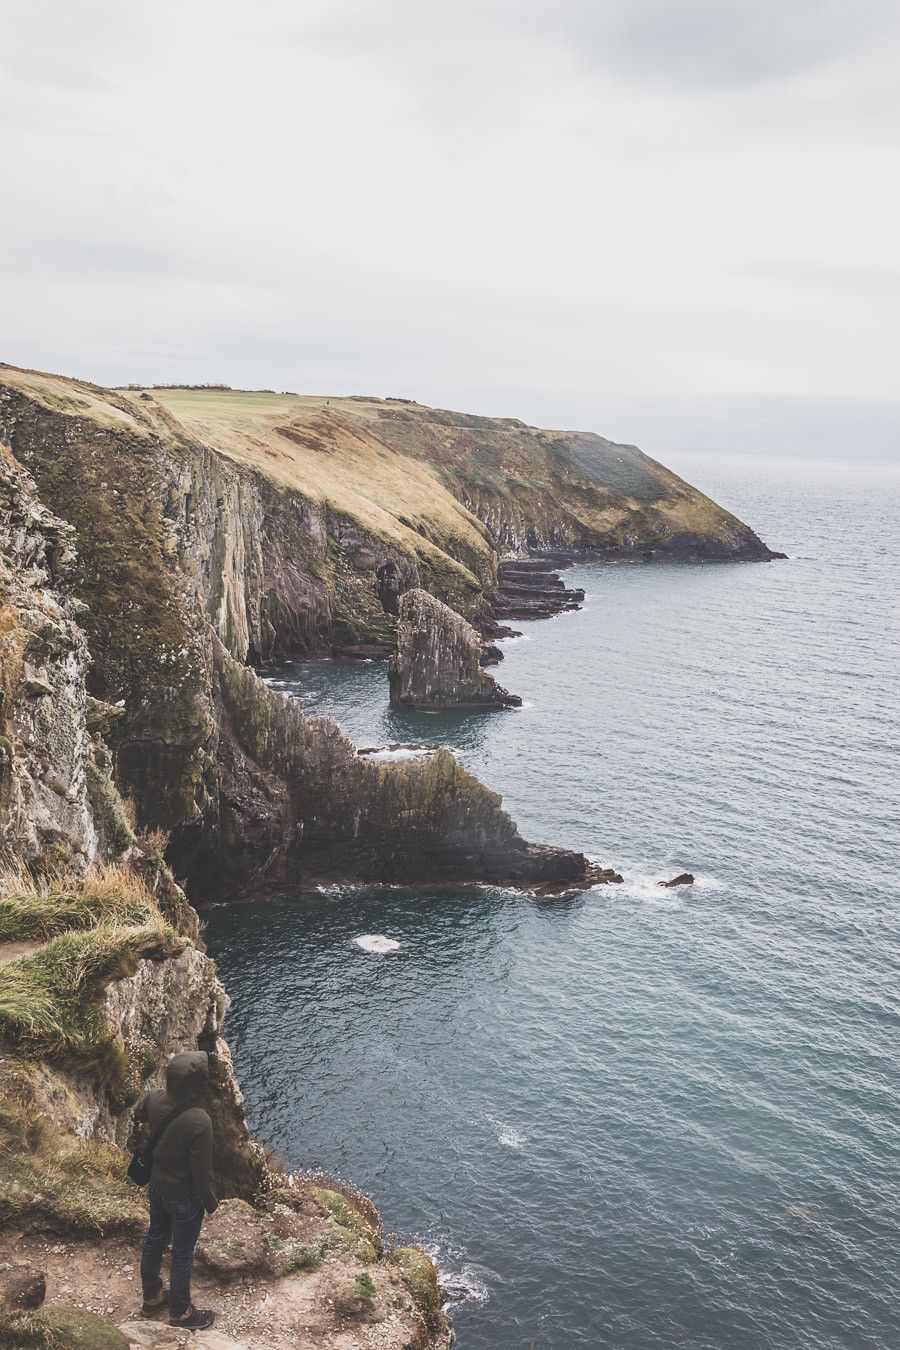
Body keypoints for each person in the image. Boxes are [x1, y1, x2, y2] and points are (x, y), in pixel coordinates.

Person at [134, 1050, 219, 1331]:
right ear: (198, 1084)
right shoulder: (199, 1120)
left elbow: (138, 1113)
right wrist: (210, 1204)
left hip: (157, 1189)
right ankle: (181, 1312)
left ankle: (152, 1298)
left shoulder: (155, 1098)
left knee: (154, 1240)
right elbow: (201, 1171)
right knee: (182, 1253)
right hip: (184, 1198)